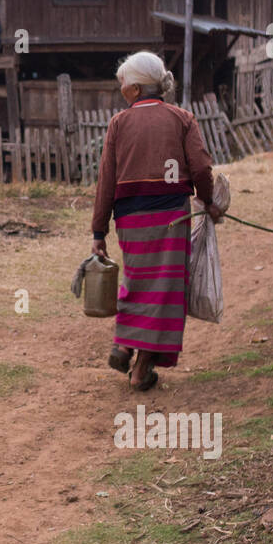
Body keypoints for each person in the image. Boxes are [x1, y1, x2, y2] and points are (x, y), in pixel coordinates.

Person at [90, 52, 223, 391]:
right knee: (165, 289)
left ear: (135, 89)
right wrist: (208, 202)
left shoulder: (118, 124)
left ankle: (124, 345)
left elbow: (106, 179)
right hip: (171, 216)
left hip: (130, 219)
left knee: (136, 281)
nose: (122, 91)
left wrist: (99, 230)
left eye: (123, 86)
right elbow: (201, 169)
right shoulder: (182, 119)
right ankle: (140, 370)